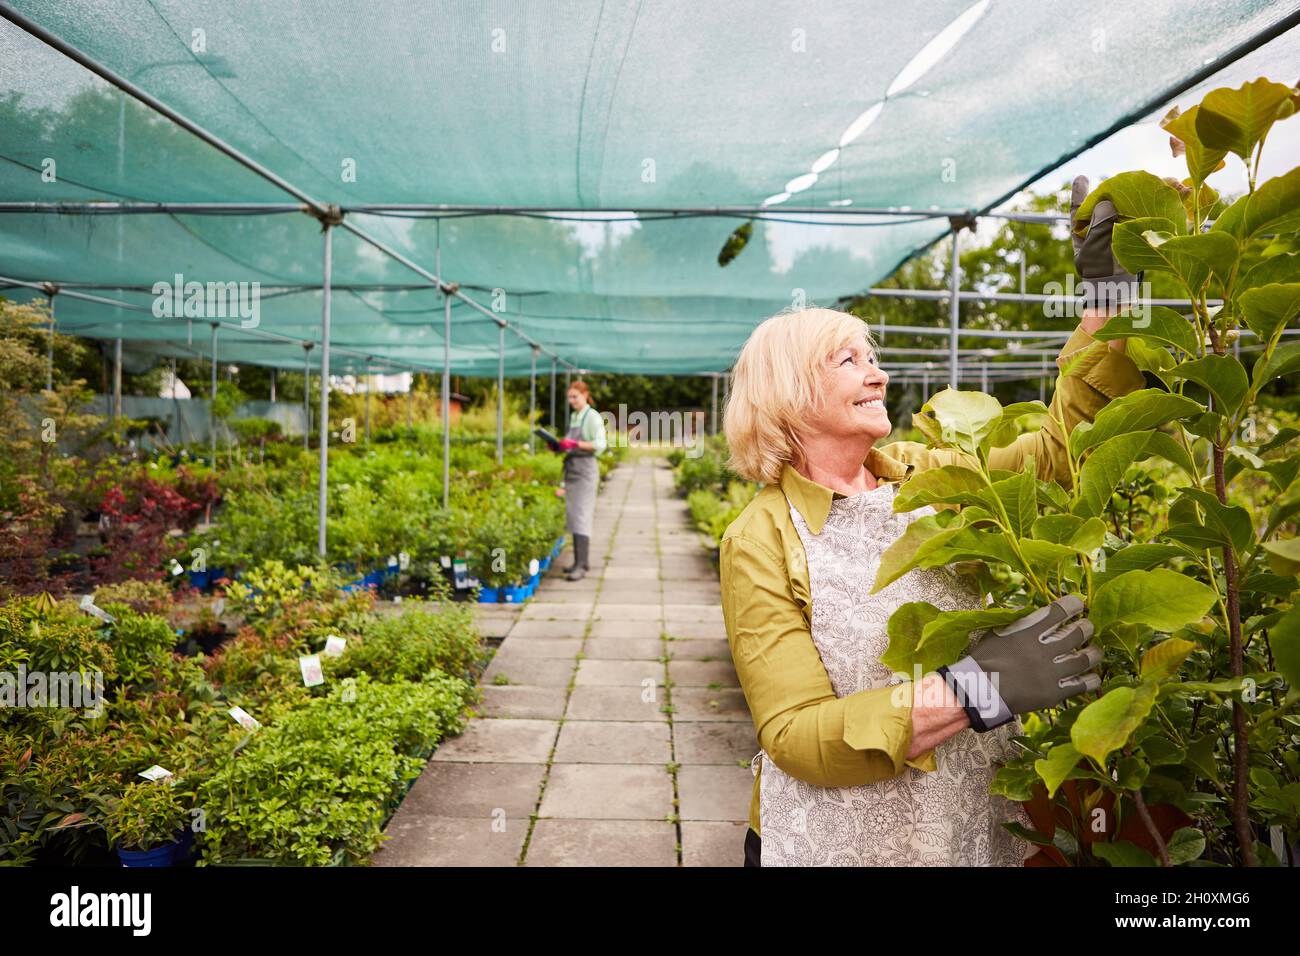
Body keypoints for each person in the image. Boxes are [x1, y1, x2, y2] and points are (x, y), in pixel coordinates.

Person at [722, 176, 1147, 866]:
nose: (879, 374)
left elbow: (1064, 455)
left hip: (956, 828)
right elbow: (796, 734)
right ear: (790, 393)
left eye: (875, 358)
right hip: (833, 842)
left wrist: (1106, 308)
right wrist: (983, 685)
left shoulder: (925, 475)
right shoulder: (760, 537)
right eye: (849, 360)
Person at [552, 380, 607, 580]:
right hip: (572, 469)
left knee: (582, 516)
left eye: (575, 396)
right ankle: (578, 562)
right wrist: (560, 446)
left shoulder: (592, 417)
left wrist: (576, 443)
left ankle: (582, 566)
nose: (571, 401)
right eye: (569, 397)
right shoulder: (576, 416)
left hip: (585, 471)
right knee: (574, 516)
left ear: (585, 395)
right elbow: (571, 444)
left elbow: (600, 444)